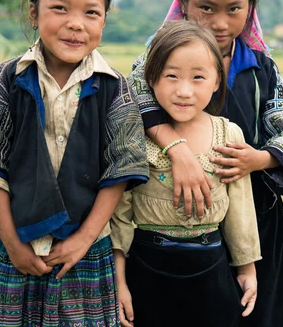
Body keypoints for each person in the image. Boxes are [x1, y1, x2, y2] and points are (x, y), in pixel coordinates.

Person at [128, 0, 283, 327]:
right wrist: (179, 151)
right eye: (207, 7)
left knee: (265, 308)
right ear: (184, 2)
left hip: (253, 214)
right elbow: (134, 105)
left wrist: (259, 159)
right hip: (175, 213)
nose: (220, 22)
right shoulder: (156, 57)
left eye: (233, 9)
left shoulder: (260, 66)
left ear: (250, 7)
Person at [0, 0, 148, 326]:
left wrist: (82, 241)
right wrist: (12, 244)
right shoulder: (5, 80)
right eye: (60, 8)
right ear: (34, 13)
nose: (76, 24)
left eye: (91, 12)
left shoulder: (115, 88)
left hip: (86, 253)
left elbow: (121, 168)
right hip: (17, 248)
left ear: (105, 21)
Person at [111, 20, 261, 327]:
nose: (183, 91)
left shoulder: (228, 134)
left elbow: (241, 209)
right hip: (147, 269)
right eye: (171, 76)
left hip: (212, 270)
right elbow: (120, 215)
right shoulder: (135, 136)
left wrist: (246, 269)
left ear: (217, 81)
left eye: (198, 78)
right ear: (151, 79)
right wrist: (119, 281)